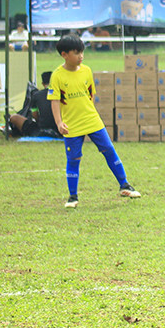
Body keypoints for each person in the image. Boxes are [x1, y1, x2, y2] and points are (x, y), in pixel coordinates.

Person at [48, 35, 141, 208]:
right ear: (64, 54)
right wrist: (59, 123)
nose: (81, 56)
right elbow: (54, 100)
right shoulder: (57, 76)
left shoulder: (87, 71)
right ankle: (73, 197)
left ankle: (124, 185)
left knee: (109, 150)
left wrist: (89, 113)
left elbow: (90, 95)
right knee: (74, 159)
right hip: (72, 125)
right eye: (76, 53)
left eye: (82, 52)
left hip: (92, 120)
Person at [8, 71, 60, 138]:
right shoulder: (63, 94)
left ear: (43, 84)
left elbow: (35, 114)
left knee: (14, 117)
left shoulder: (37, 95)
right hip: (60, 128)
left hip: (40, 130)